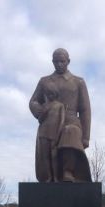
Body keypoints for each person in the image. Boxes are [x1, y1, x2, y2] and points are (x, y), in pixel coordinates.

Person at [29, 48, 92, 182]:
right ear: (52, 62)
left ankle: (67, 171)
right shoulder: (44, 81)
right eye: (56, 62)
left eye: (62, 61)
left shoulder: (78, 82)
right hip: (50, 120)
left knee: (70, 131)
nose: (59, 64)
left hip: (71, 121)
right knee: (47, 146)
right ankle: (49, 175)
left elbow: (85, 110)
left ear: (68, 61)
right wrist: (40, 111)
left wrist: (86, 137)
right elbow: (33, 101)